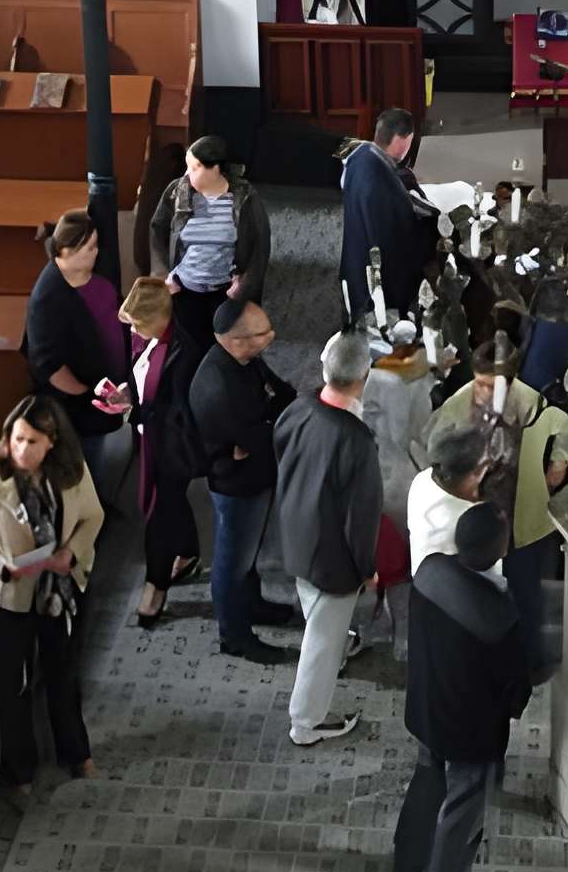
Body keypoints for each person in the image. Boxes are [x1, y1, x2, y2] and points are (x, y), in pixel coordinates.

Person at [393, 500, 532, 872]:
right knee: (461, 820)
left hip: (427, 708)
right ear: (500, 550)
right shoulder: (498, 615)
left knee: (427, 780)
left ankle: (408, 860)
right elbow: (516, 688)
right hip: (471, 734)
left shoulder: (430, 570)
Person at [0, 395, 104, 794]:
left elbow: (93, 516)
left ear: (52, 442)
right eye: (17, 439)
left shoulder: (71, 472)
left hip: (61, 589)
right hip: (13, 595)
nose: (21, 449)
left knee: (64, 676)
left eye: (32, 442)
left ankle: (76, 754)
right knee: (15, 685)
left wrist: (70, 553)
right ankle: (20, 769)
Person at [273, 328, 383, 746]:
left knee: (316, 612)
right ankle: (306, 722)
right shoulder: (356, 441)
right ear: (364, 376)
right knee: (320, 639)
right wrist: (367, 569)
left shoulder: (299, 407)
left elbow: (280, 448)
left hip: (295, 532)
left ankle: (342, 643)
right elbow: (361, 519)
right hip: (332, 558)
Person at [431, 337, 568, 667]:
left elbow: (564, 426)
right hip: (479, 519)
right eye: (479, 383)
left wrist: (559, 462)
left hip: (524, 518)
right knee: (478, 593)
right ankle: (483, 660)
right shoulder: (460, 403)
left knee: (526, 594)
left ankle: (530, 660)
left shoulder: (532, 402)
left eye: (492, 386)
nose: (482, 392)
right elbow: (434, 446)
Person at [188, 296, 300, 663]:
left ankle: (252, 604)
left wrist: (265, 422)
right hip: (237, 486)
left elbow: (282, 393)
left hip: (254, 471)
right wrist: (266, 425)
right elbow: (255, 438)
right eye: (263, 333)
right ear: (237, 340)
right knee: (232, 561)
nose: (272, 335)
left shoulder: (246, 360)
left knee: (248, 555)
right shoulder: (218, 386)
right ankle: (234, 635)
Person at [24, 209, 131, 505]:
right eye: (90, 248)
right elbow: (49, 366)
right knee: (85, 467)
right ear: (66, 251)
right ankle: (91, 510)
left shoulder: (91, 279)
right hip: (80, 407)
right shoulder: (48, 299)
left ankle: (99, 504)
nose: (96, 252)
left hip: (104, 392)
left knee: (100, 461)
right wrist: (89, 395)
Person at [119, 276, 203, 628]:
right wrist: (127, 395)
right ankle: (189, 552)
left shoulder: (185, 352)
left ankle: (156, 584)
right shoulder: (146, 336)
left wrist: (133, 412)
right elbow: (140, 375)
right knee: (170, 501)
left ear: (161, 319)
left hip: (172, 444)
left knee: (159, 511)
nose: (133, 331)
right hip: (150, 434)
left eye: (138, 323)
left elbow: (179, 413)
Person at [150, 135, 271, 360]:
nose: (187, 173)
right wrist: (164, 274)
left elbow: (260, 245)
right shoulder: (177, 191)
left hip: (225, 290)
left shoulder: (244, 197)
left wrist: (245, 285)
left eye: (194, 167)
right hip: (184, 288)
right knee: (189, 351)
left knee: (222, 350)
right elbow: (157, 230)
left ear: (214, 169)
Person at [360, 316, 434, 656]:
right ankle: (400, 633)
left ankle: (386, 627)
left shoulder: (378, 379)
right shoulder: (407, 379)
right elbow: (416, 431)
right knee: (399, 565)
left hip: (387, 475)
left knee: (389, 563)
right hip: (399, 474)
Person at [339, 108, 436, 326]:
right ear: (402, 140)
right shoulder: (384, 181)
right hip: (377, 284)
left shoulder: (359, 156)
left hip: (353, 268)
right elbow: (400, 235)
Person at [407, 421, 491, 574]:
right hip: (462, 585)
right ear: (478, 471)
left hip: (423, 580)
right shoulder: (470, 519)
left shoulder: (422, 479)